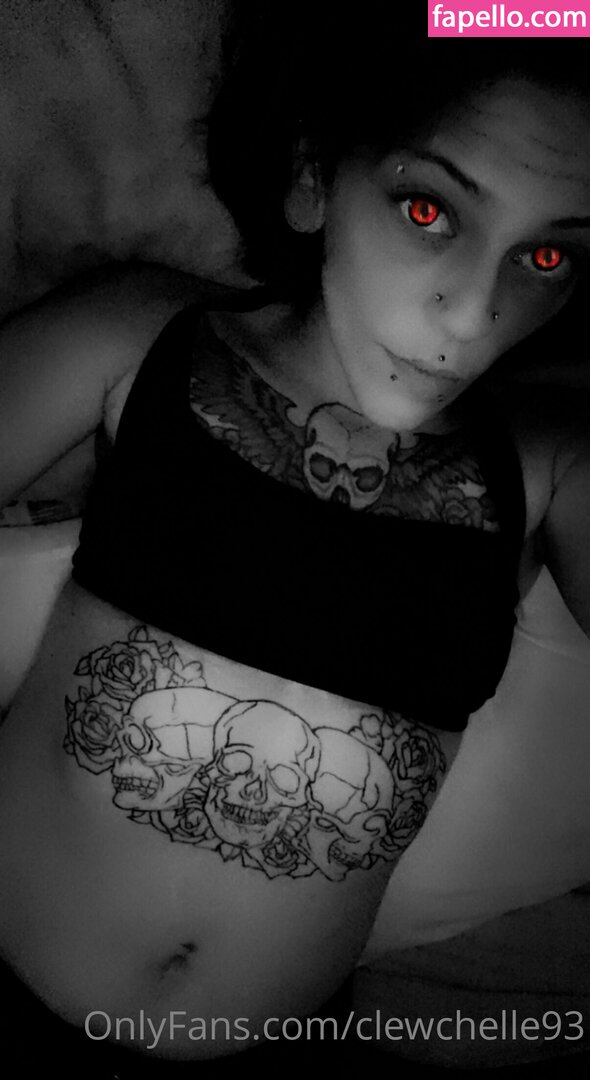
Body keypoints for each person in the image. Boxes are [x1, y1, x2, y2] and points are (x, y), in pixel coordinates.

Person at [1, 2, 590, 1066]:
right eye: (428, 209)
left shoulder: (549, 463)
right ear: (315, 175)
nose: (473, 315)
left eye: (546, 257)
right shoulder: (142, 338)